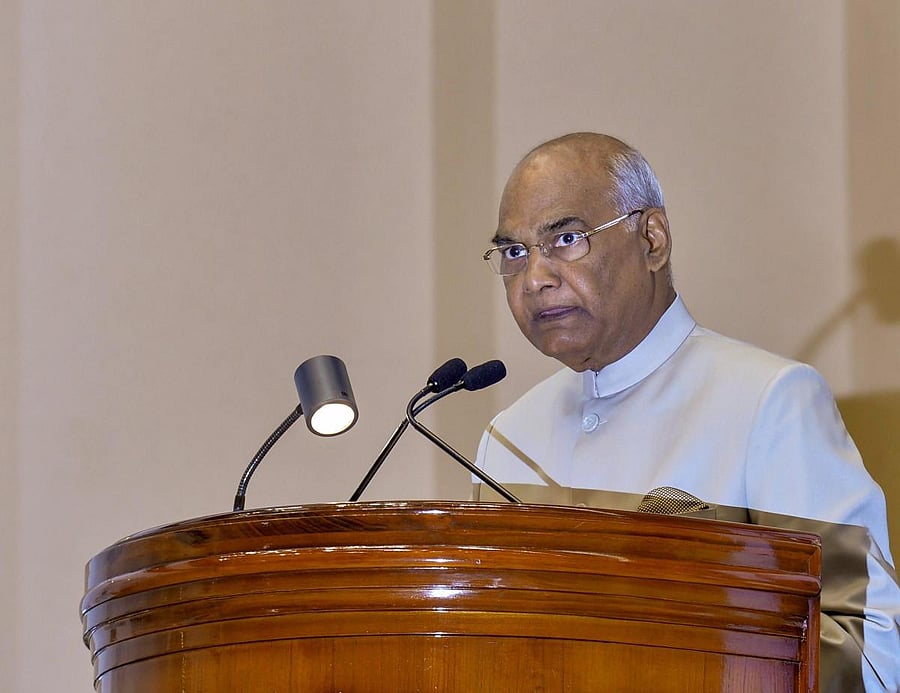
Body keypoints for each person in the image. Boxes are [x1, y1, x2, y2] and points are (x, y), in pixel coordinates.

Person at [473, 132, 900, 692]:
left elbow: (870, 647)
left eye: (568, 239)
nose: (535, 279)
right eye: (514, 253)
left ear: (652, 238)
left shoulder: (769, 401)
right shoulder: (507, 441)